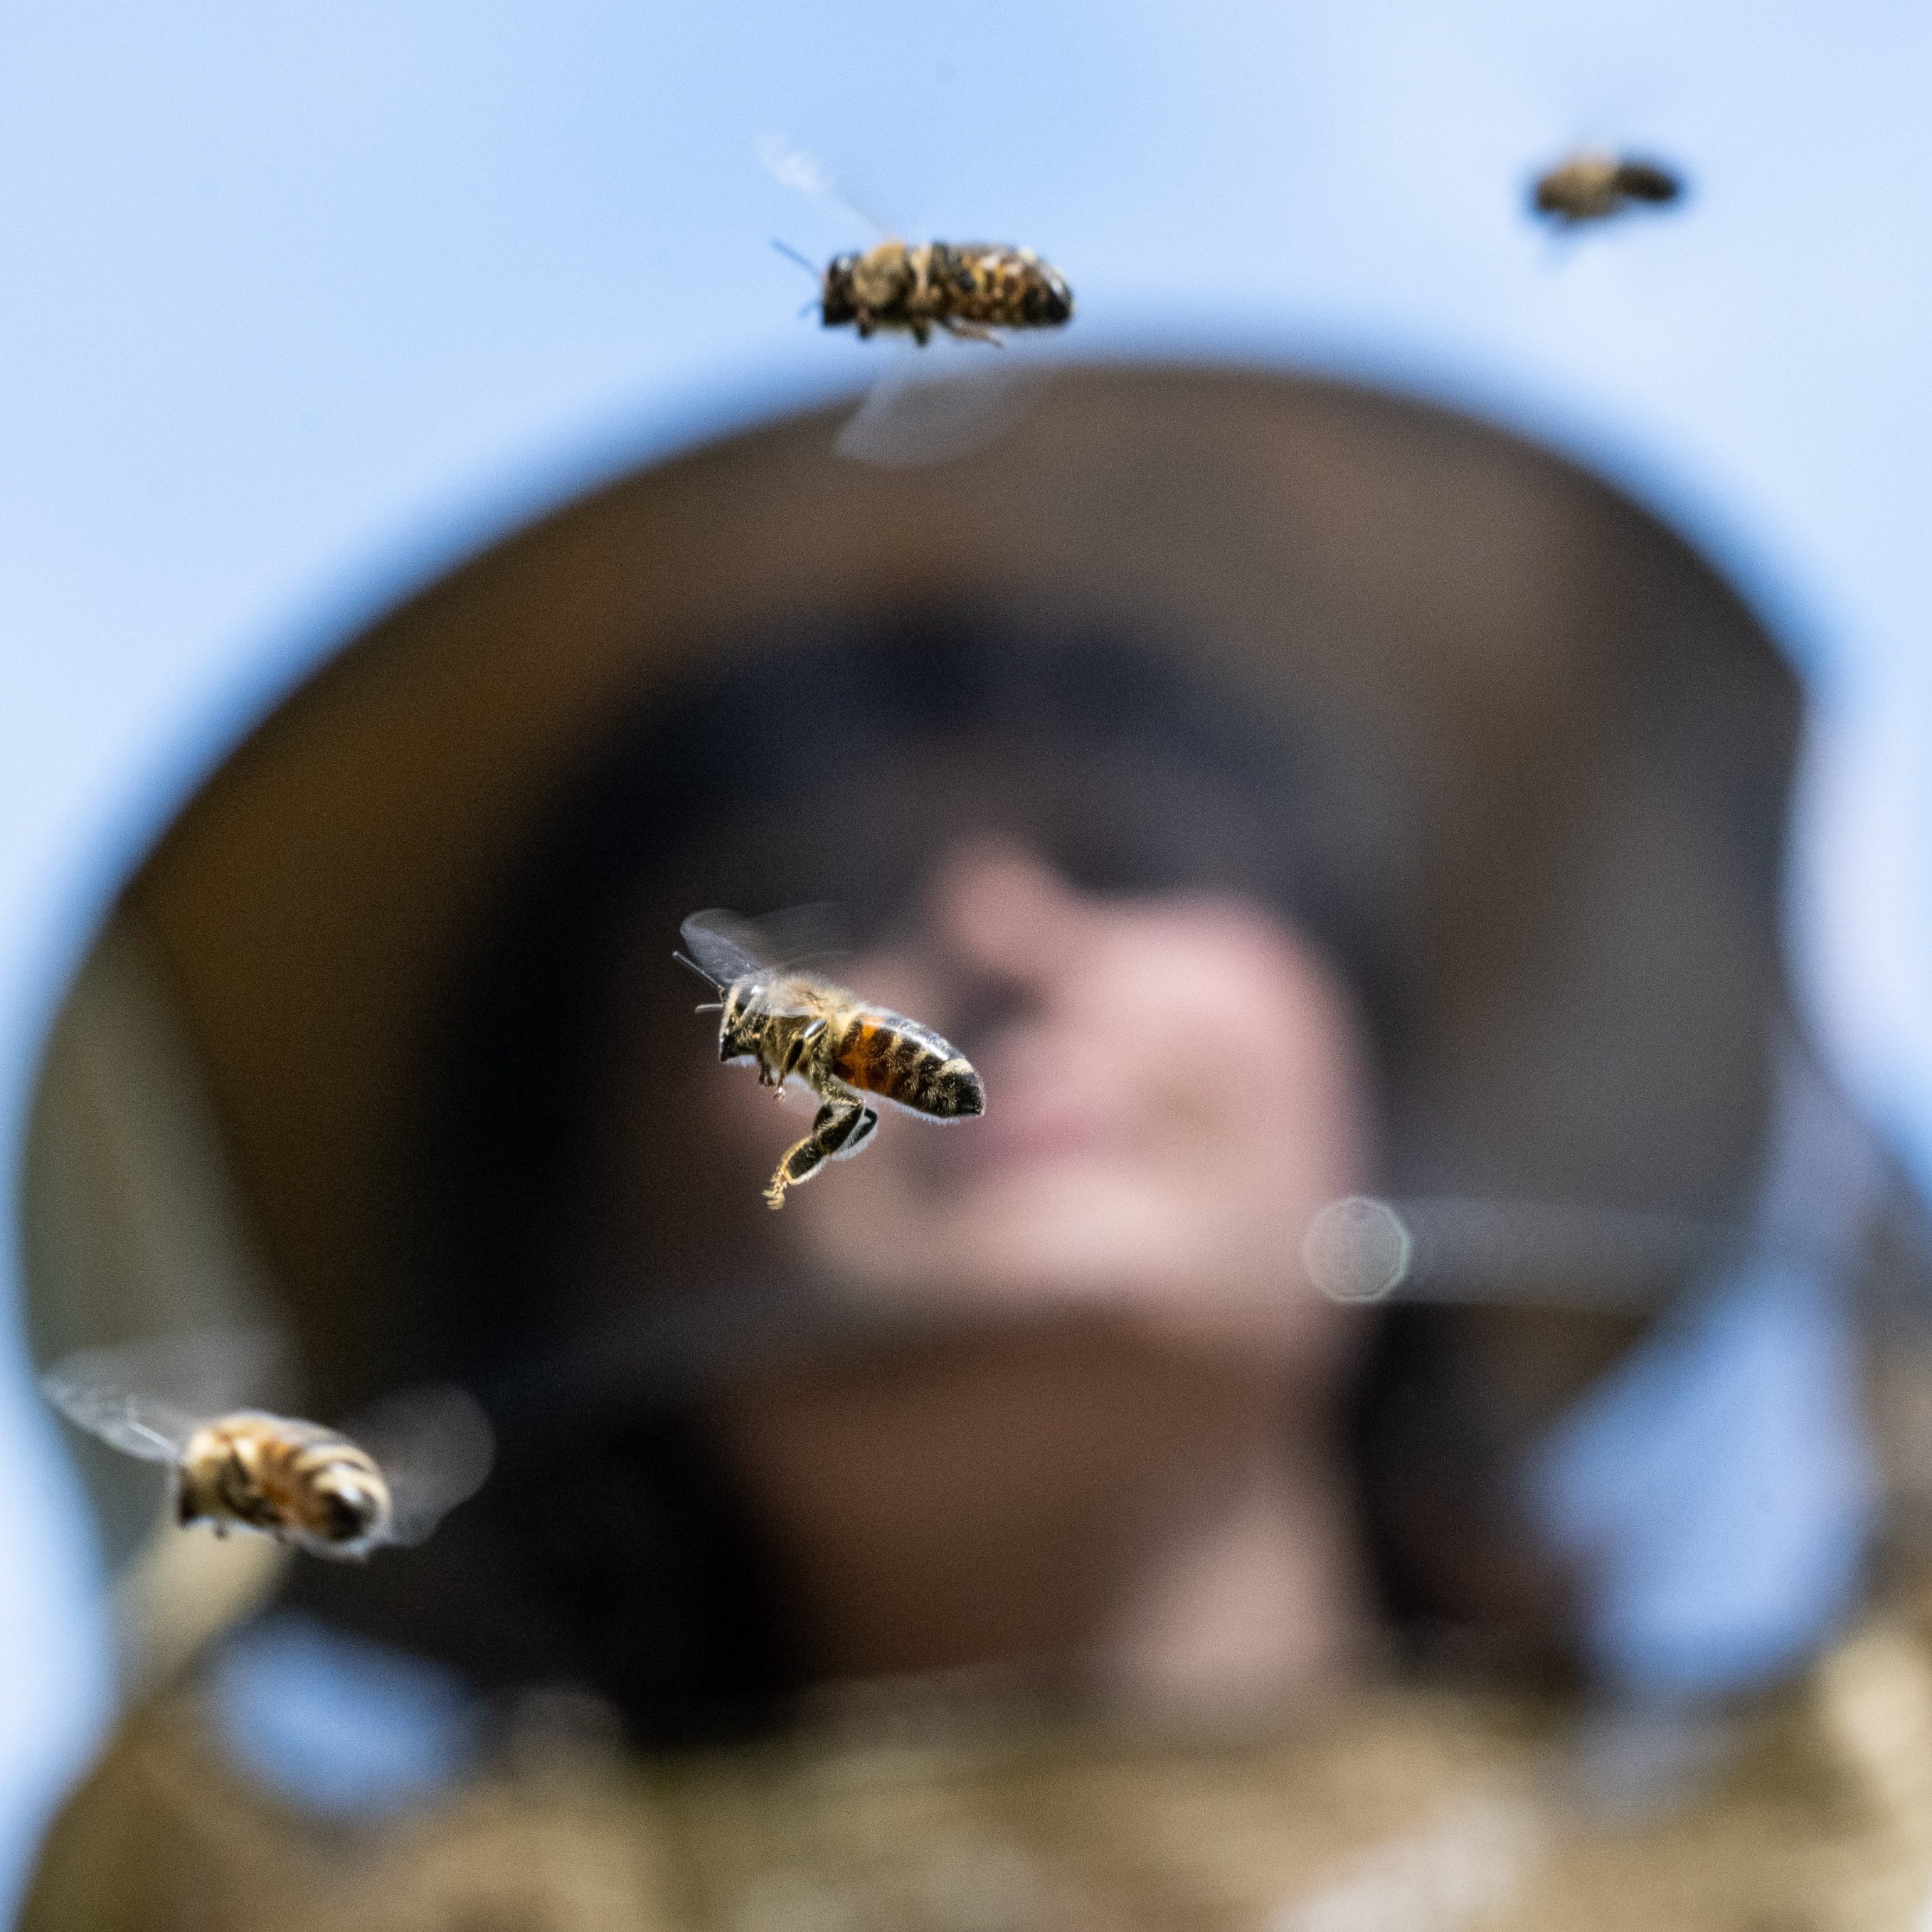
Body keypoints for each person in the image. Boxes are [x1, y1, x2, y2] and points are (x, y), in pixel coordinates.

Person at [21, 366, 1932, 1930]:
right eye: (818, 911)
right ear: (573, 1203)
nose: (1001, 950)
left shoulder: (1840, 1850)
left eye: (1130, 859)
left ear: (1369, 1069)